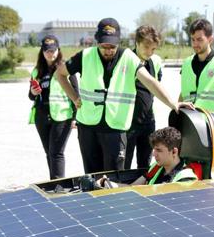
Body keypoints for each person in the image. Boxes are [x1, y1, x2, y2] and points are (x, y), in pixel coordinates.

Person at [55, 17, 191, 174]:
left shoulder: (128, 58)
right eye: (104, 45)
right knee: (91, 177)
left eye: (112, 46)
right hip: (87, 128)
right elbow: (60, 74)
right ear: (97, 41)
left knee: (113, 179)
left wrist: (173, 103)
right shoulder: (85, 56)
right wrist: (74, 97)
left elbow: (151, 82)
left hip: (115, 129)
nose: (108, 50)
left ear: (119, 42)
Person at [28, 35, 77, 180]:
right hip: (42, 117)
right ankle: (53, 183)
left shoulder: (66, 69)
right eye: (47, 51)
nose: (51, 54)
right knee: (49, 152)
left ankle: (59, 186)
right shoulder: (37, 71)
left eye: (53, 50)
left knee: (56, 153)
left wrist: (75, 118)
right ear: (42, 52)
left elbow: (76, 95)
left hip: (62, 116)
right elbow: (31, 97)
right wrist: (33, 92)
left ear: (58, 50)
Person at [97, 126, 198, 188]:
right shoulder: (157, 167)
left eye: (159, 150)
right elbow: (132, 187)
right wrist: (108, 184)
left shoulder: (186, 179)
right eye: (154, 149)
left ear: (174, 152)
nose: (154, 154)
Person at [125, 25, 163, 170]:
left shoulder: (156, 62)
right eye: (146, 47)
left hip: (148, 122)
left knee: (144, 166)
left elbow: (156, 87)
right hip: (127, 124)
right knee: (124, 166)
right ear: (137, 43)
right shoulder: (126, 60)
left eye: (153, 49)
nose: (149, 52)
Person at [179, 18, 214, 114]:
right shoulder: (186, 63)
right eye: (193, 39)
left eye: (199, 40)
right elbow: (183, 94)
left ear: (210, 39)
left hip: (210, 123)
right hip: (188, 121)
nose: (195, 44)